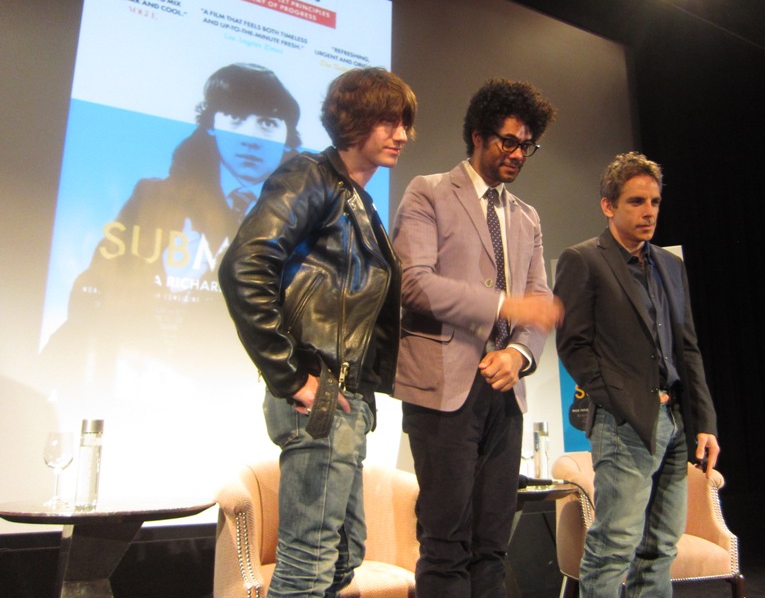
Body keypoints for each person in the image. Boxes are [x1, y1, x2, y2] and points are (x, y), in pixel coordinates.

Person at [218, 67, 417, 597]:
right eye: (389, 121)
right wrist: (291, 375)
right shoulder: (310, 176)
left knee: (338, 560)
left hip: (345, 397)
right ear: (354, 121)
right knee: (308, 566)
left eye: (404, 123)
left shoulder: (357, 200)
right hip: (321, 391)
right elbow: (244, 266)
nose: (402, 134)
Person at [392, 78, 563, 597]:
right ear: (477, 136)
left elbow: (538, 299)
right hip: (445, 390)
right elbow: (414, 283)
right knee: (445, 544)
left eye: (526, 146)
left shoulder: (526, 216)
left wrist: (518, 354)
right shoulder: (429, 191)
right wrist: (500, 306)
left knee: (493, 545)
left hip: (504, 393)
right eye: (507, 142)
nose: (517, 154)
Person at [43, 62, 302, 381]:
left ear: (287, 135)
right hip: (139, 370)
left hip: (254, 379)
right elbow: (99, 281)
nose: (250, 138)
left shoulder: (305, 219)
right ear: (211, 125)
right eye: (235, 119)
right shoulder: (153, 196)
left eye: (267, 123)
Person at [553, 152, 721, 598]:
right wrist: (618, 400)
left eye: (655, 202)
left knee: (661, 546)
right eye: (635, 202)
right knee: (614, 546)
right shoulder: (584, 260)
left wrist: (704, 422)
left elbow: (687, 348)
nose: (649, 212)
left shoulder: (670, 265)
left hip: (676, 422)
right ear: (608, 205)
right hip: (624, 422)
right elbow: (573, 346)